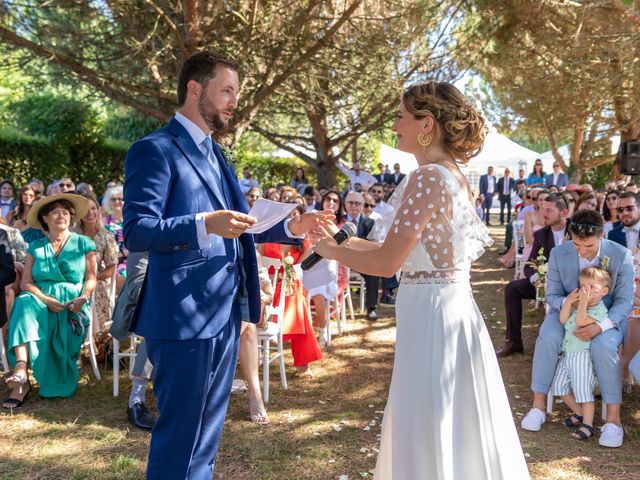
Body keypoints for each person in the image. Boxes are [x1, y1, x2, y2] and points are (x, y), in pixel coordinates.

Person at [123, 51, 330, 479]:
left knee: (208, 434)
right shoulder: (154, 149)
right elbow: (139, 230)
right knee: (180, 434)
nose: (234, 101)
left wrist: (292, 228)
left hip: (225, 313)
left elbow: (241, 226)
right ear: (195, 90)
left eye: (236, 92)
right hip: (182, 315)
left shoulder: (220, 156)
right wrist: (203, 224)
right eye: (227, 91)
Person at [315, 80, 530, 479]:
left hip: (433, 312)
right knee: (448, 413)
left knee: (428, 410)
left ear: (426, 124)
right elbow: (411, 252)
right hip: (446, 305)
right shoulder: (450, 175)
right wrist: (341, 241)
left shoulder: (427, 178)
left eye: (400, 116)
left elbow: (387, 263)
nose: (394, 125)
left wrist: (332, 252)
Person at [521, 210, 634, 448]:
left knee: (604, 346)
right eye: (576, 244)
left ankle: (613, 419)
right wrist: (570, 303)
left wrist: (599, 326)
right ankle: (538, 405)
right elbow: (551, 295)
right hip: (566, 312)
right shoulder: (558, 253)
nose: (581, 251)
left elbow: (624, 300)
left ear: (601, 235)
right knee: (548, 336)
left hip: (605, 318)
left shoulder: (620, 254)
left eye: (588, 246)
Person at [3, 194, 96, 408]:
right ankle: (20, 372)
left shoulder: (84, 243)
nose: (61, 216)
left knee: (28, 304)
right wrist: (45, 299)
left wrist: (83, 297)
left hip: (73, 302)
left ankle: (34, 374)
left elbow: (90, 278)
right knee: (24, 302)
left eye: (65, 212)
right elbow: (26, 282)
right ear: (45, 218)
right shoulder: (35, 246)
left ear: (71, 218)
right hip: (39, 298)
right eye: (55, 212)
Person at [496, 194, 569, 357]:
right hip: (545, 284)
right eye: (543, 210)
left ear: (563, 213)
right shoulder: (542, 234)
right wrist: (537, 279)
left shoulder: (575, 231)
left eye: (549, 210)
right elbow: (530, 264)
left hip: (572, 286)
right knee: (512, 288)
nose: (544, 214)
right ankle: (514, 342)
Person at [550, 267, 610, 440]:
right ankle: (580, 412)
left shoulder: (600, 310)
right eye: (583, 286)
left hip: (581, 355)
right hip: (567, 352)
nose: (586, 290)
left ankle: (588, 425)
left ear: (604, 291)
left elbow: (581, 321)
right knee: (559, 386)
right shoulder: (578, 305)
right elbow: (563, 320)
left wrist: (582, 302)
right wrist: (569, 302)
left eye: (592, 287)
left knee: (583, 391)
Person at [109, 251, 156, 431]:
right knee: (157, 321)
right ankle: (136, 399)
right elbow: (137, 284)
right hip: (141, 306)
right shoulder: (146, 238)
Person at [74, 193, 119, 335]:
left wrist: (92, 279)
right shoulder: (72, 235)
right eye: (86, 209)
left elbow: (111, 269)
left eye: (93, 209)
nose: (90, 213)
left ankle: (93, 343)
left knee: (95, 293)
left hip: (96, 281)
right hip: (72, 280)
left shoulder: (106, 236)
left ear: (98, 211)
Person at [344, 191, 379, 320]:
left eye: (357, 203)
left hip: (360, 261)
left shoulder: (370, 223)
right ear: (345, 204)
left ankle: (371, 308)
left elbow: (371, 245)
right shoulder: (339, 220)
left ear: (362, 205)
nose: (353, 206)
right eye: (350, 202)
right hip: (339, 259)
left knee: (373, 271)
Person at [102, 185, 127, 288]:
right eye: (113, 199)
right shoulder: (104, 222)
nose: (117, 202)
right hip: (109, 260)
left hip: (129, 259)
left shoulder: (130, 221)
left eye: (120, 199)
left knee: (123, 274)